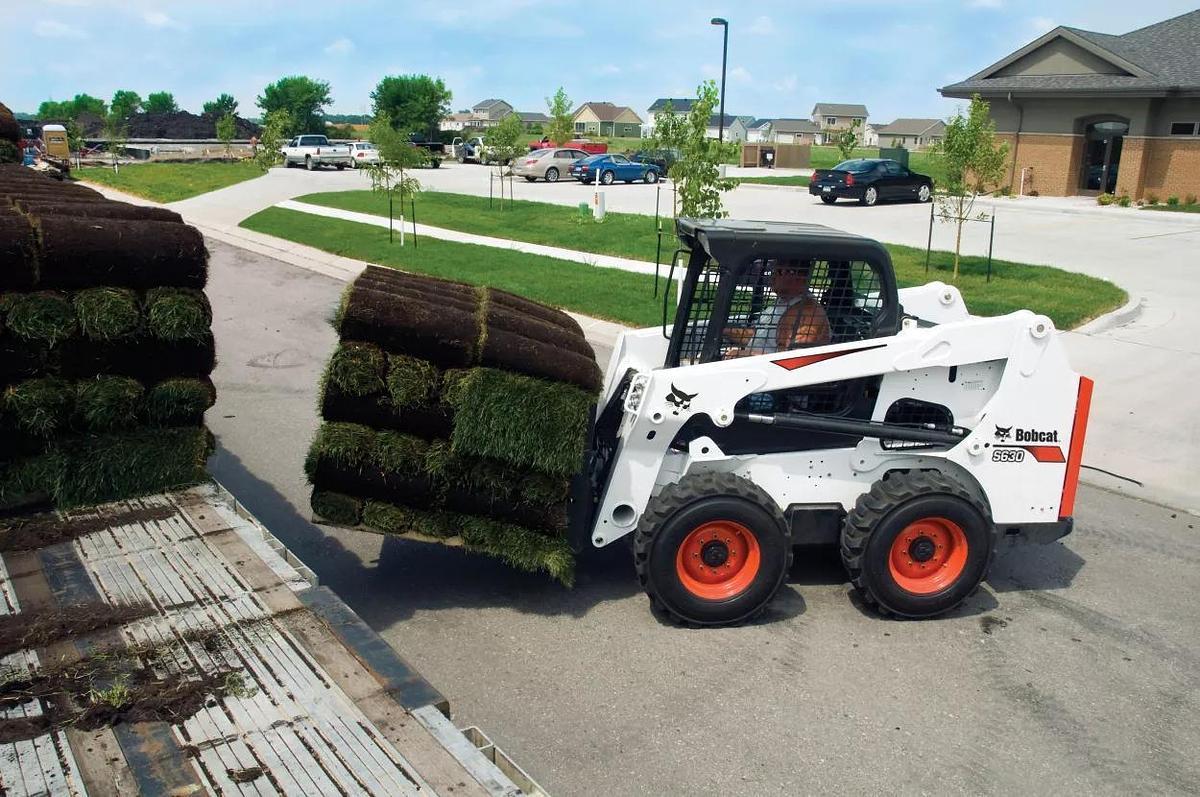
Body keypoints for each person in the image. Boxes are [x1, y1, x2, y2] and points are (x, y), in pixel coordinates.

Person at [725, 260, 831, 357]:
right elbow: (760, 337)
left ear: (796, 276)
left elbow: (793, 359)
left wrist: (746, 354)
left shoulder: (806, 313)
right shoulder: (783, 302)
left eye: (778, 271)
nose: (773, 276)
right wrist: (722, 330)